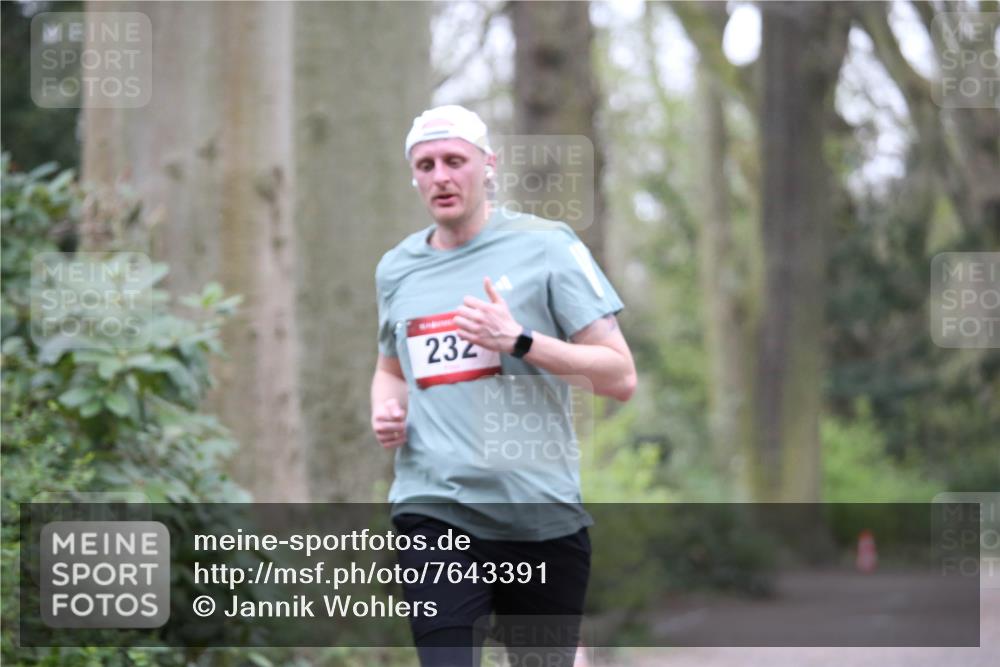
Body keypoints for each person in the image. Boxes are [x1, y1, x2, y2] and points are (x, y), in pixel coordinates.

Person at [371, 104, 636, 667]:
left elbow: (619, 377)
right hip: (435, 509)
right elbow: (391, 370)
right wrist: (387, 411)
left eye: (454, 160)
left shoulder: (549, 247)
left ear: (487, 166)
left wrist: (519, 340)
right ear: (414, 176)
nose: (440, 175)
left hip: (537, 513)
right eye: (425, 165)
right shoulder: (397, 270)